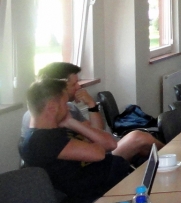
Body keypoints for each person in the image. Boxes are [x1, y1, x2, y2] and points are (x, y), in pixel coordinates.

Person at [19, 79, 133, 203]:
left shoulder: (54, 131)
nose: (68, 108)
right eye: (64, 104)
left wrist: (70, 122)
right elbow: (99, 153)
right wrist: (71, 122)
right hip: (95, 198)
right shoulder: (41, 140)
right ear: (52, 107)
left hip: (114, 181)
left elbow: (110, 144)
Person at [22, 62, 162, 157]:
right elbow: (97, 144)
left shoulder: (70, 108)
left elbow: (96, 131)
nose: (79, 87)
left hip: (98, 150)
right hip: (93, 156)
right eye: (74, 84)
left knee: (144, 148)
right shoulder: (42, 116)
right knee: (138, 138)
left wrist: (91, 105)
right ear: (59, 87)